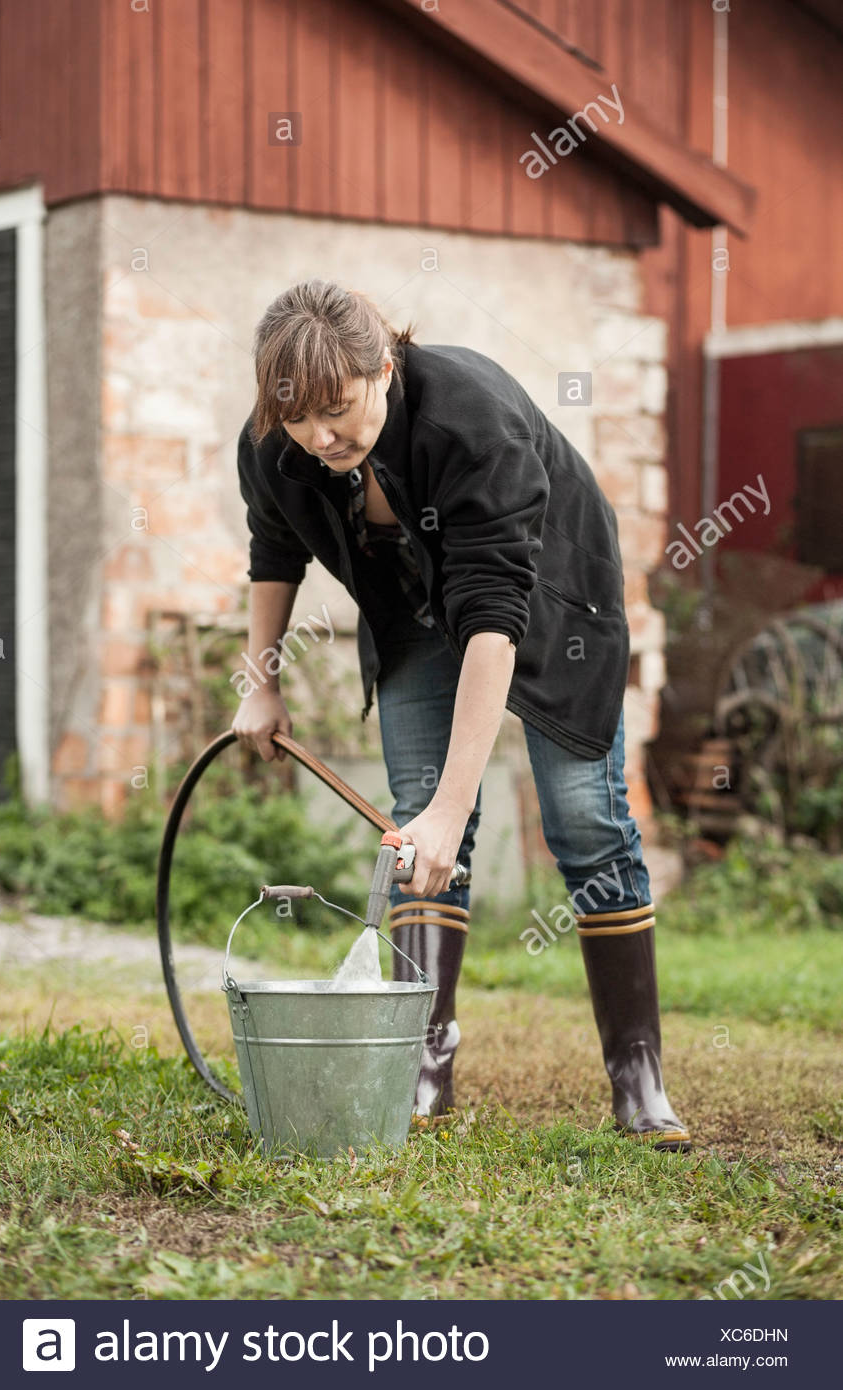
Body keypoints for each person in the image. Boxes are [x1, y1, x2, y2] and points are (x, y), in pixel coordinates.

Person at [232, 278, 691, 1152]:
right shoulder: (278, 445)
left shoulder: (468, 421)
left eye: (340, 409)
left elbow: (492, 618)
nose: (321, 437)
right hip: (412, 616)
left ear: (387, 363)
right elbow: (274, 545)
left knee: (585, 820)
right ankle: (426, 1059)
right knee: (418, 833)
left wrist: (455, 806)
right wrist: (261, 678)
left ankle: (639, 1074)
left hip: (548, 605)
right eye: (299, 419)